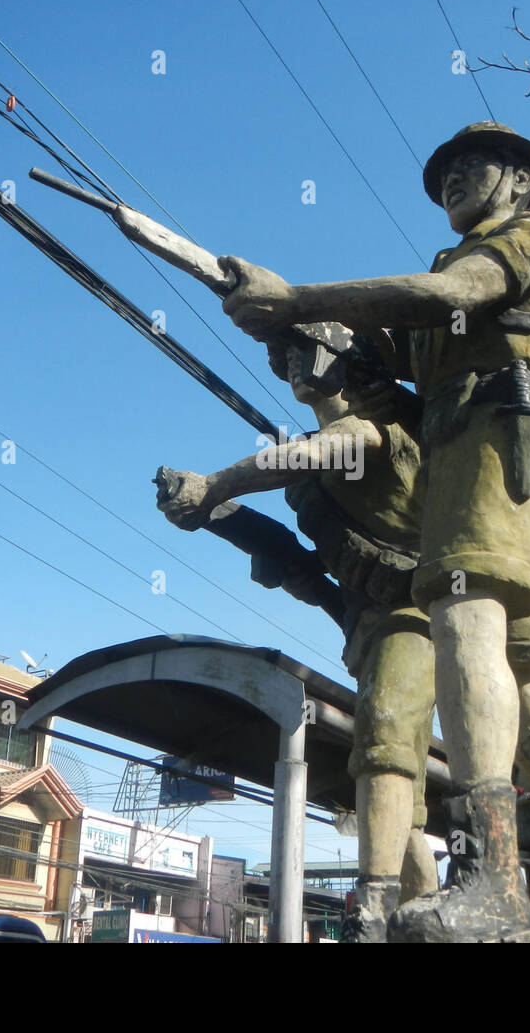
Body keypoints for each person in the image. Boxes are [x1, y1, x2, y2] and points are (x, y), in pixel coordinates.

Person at [219, 121, 530, 943]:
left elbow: (447, 299)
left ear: (521, 179)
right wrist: (285, 317)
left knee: (464, 618)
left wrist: (302, 299)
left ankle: (494, 878)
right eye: (444, 169)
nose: (453, 177)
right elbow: (389, 355)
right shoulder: (454, 273)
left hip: (504, 439)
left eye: (471, 165)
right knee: (529, 713)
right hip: (464, 453)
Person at [155, 334, 441, 940]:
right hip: (363, 621)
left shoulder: (371, 432)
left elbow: (314, 453)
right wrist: (221, 520)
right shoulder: (309, 476)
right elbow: (307, 564)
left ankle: (375, 906)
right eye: (283, 356)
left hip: (416, 616)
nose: (292, 364)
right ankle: (423, 915)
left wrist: (216, 487)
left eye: (305, 349)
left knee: (384, 748)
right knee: (393, 792)